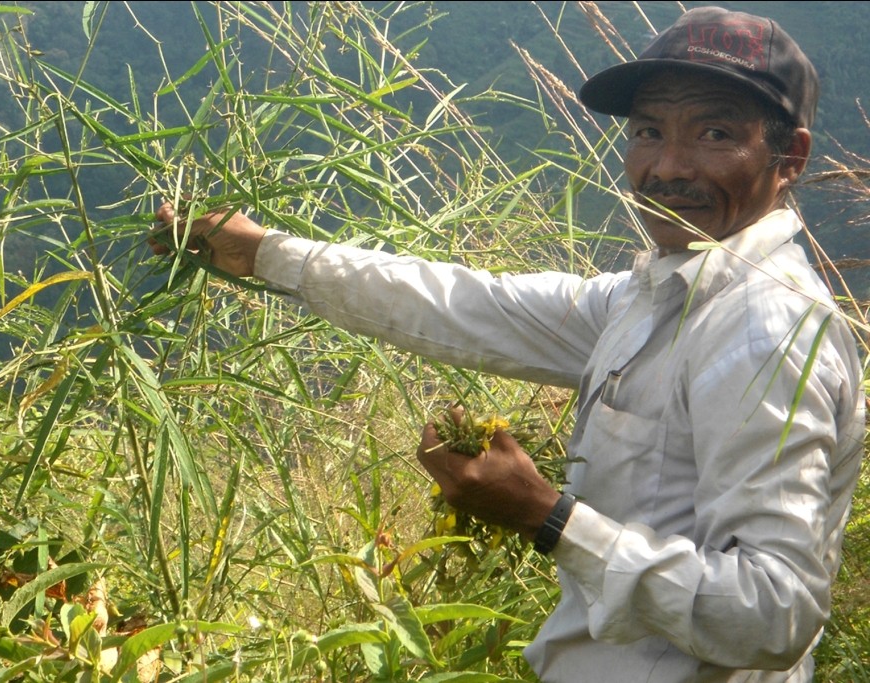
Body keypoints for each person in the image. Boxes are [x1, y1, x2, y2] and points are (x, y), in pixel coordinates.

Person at [151, 7, 864, 682]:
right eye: (648, 130)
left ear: (790, 156)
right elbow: (468, 305)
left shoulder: (763, 333)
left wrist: (545, 514)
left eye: (714, 135)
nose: (668, 166)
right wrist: (263, 253)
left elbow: (774, 611)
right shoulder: (658, 298)